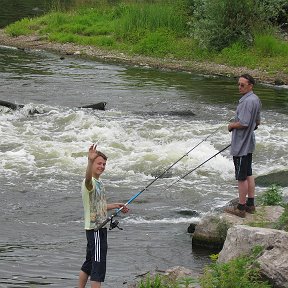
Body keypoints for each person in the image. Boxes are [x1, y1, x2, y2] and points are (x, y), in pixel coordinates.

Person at [78, 144, 129, 288]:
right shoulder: (90, 182)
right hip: (96, 230)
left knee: (88, 264)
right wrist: (89, 160)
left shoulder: (99, 183)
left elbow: (99, 206)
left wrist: (116, 205)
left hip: (96, 229)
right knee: (98, 267)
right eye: (98, 163)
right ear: (92, 164)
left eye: (104, 164)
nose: (102, 166)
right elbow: (87, 179)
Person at [225, 74, 261, 218]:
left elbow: (244, 122)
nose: (239, 87)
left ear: (250, 86)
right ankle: (251, 204)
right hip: (249, 143)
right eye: (238, 84)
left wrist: (231, 125)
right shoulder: (256, 99)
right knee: (248, 173)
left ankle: (241, 208)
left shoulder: (247, 102)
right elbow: (257, 122)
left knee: (241, 177)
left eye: (242, 85)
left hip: (241, 145)